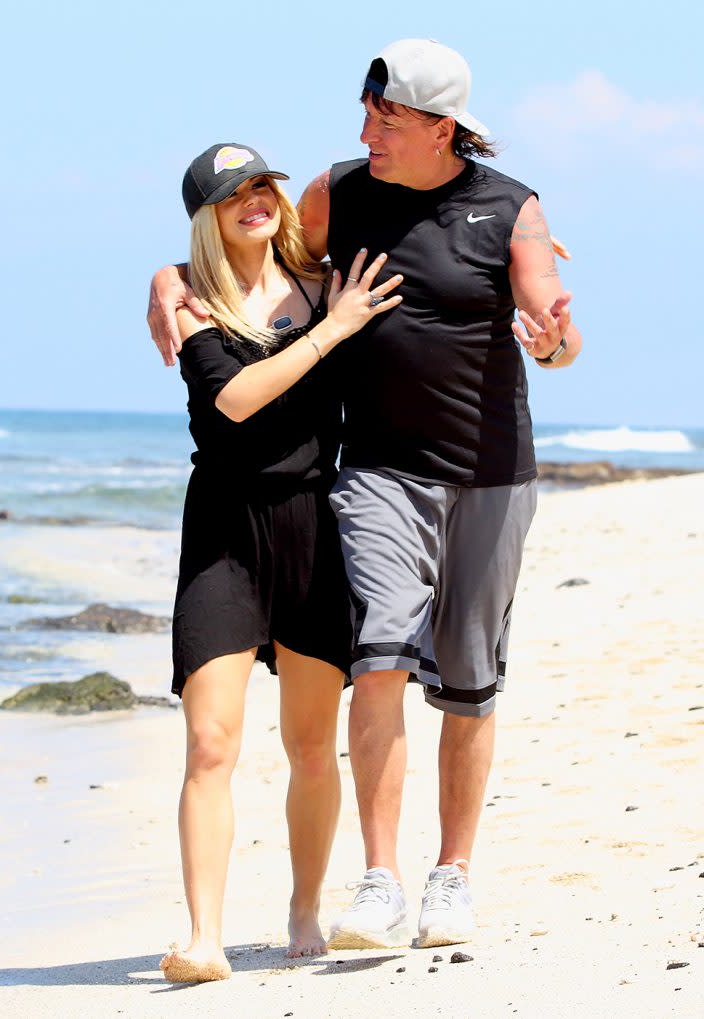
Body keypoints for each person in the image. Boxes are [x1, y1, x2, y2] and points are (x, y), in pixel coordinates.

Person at [148, 39, 582, 953]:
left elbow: (547, 313)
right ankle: (350, 887)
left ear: (440, 126)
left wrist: (550, 337)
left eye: (384, 118)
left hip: (448, 482)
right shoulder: (321, 204)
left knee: (447, 688)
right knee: (351, 666)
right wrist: (169, 280)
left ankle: (422, 882)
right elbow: (244, 305)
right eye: (366, 114)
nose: (364, 132)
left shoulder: (500, 212)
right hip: (336, 487)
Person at [159, 142, 402, 984]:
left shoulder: (318, 278)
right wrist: (331, 332)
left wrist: (523, 246)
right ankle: (203, 936)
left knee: (309, 745)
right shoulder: (189, 298)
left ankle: (303, 906)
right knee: (210, 743)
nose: (254, 201)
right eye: (234, 195)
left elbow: (393, 220)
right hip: (224, 534)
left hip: (311, 525)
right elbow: (231, 403)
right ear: (208, 217)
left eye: (262, 185)